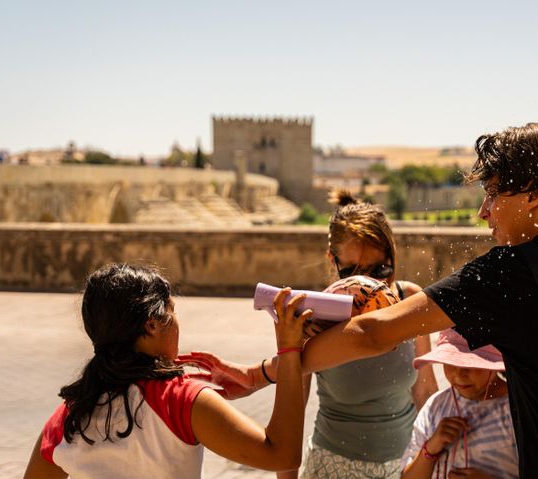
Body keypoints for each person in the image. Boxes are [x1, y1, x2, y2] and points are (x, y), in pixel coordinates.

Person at [200, 123, 538, 477]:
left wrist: (272, 363)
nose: (483, 211)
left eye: (491, 193)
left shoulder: (511, 270)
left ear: (533, 194)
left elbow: (373, 333)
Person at [179, 190, 438, 479]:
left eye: (379, 270)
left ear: (393, 256)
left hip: (402, 468)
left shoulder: (409, 299)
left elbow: (425, 393)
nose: (367, 284)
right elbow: (291, 419)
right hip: (335, 469)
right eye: (352, 272)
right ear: (333, 261)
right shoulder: (313, 320)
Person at [23, 263, 311, 479]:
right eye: (172, 312)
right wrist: (289, 350)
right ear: (152, 324)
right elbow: (281, 453)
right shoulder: (182, 399)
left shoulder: (72, 412)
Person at [400, 329, 518, 479]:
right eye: (450, 364)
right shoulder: (436, 406)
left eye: (468, 366)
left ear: (492, 364)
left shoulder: (516, 412)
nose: (458, 374)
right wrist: (430, 449)